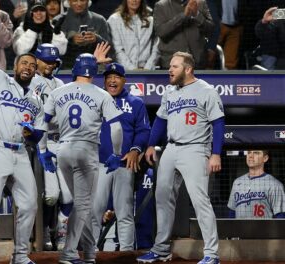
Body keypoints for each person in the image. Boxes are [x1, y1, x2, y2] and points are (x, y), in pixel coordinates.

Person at [0, 1, 51, 263]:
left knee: (29, 205)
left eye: (32, 65)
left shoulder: (37, 99)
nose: (28, 66)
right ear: (16, 66)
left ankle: (21, 255)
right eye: (24, 62)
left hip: (20, 154)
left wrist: (33, 136)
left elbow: (39, 133)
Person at [136, 51, 225, 264]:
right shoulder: (169, 92)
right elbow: (159, 120)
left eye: (175, 66)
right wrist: (150, 145)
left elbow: (218, 123)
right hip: (171, 148)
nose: (170, 70)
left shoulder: (207, 91)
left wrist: (216, 154)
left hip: (195, 149)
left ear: (188, 69)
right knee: (163, 198)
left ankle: (212, 253)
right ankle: (161, 248)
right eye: (170, 66)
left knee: (200, 201)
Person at [42, 52, 124, 264]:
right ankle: (69, 252)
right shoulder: (102, 94)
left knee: (81, 204)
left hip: (63, 150)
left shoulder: (58, 92)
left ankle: (89, 253)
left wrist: (43, 150)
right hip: (86, 150)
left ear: (75, 69)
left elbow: (41, 122)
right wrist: (116, 153)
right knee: (83, 204)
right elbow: (116, 128)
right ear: (94, 71)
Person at [91, 62, 151, 251]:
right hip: (99, 163)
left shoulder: (135, 103)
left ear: (124, 80)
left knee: (124, 212)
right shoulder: (96, 99)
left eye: (116, 77)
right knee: (95, 211)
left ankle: (126, 253)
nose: (112, 80)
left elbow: (143, 130)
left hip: (124, 163)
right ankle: (90, 252)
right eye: (108, 77)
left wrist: (135, 149)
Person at [30, 43, 72, 251]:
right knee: (51, 195)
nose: (49, 65)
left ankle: (61, 233)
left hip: (61, 141)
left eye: (53, 62)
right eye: (46, 61)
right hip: (42, 143)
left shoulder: (61, 83)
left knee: (69, 196)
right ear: (37, 60)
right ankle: (45, 230)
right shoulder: (31, 83)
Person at [153, 0, 214, 69]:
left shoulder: (201, 3)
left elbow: (210, 30)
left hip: (197, 63)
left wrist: (197, 14)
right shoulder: (161, 5)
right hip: (171, 64)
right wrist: (183, 16)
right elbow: (161, 32)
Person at [228, 150, 285, 218]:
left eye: (256, 153)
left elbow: (280, 217)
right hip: (240, 228)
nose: (251, 156)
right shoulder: (237, 182)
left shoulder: (274, 184)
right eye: (249, 152)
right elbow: (231, 213)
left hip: (264, 228)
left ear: (265, 158)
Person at [54, 0, 111, 68]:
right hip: (65, 70)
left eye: (82, 0)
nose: (79, 4)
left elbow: (110, 49)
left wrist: (96, 39)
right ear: (69, 2)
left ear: (88, 1)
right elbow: (53, 50)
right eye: (75, 0)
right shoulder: (57, 20)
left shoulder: (100, 20)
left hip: (94, 69)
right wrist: (71, 41)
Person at [107, 0, 159, 70]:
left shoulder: (150, 20)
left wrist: (148, 68)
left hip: (147, 70)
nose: (134, 0)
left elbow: (156, 46)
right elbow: (117, 49)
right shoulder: (114, 20)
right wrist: (133, 70)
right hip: (124, 71)